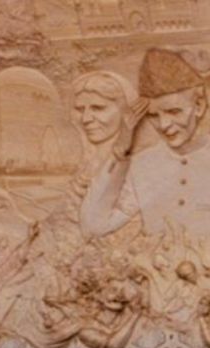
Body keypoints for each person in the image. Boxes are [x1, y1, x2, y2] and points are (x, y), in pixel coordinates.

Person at [82, 48, 210, 240]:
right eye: (153, 116)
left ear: (199, 106)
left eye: (174, 112)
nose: (164, 125)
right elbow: (93, 227)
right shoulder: (144, 165)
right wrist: (120, 150)